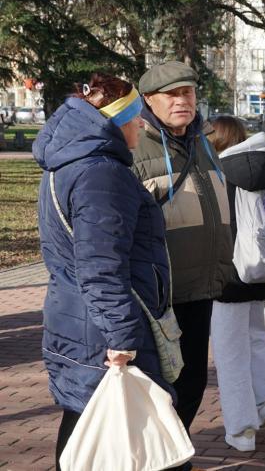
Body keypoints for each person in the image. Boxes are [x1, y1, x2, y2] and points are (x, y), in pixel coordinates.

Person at [33, 74, 174, 469]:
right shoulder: (101, 173)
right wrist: (122, 335)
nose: (142, 124)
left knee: (85, 420)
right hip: (100, 325)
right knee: (98, 428)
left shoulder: (71, 160)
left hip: (75, 315)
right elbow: (101, 266)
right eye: (134, 117)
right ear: (116, 121)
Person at [131, 61, 234, 433]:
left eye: (187, 92)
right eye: (171, 94)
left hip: (200, 287)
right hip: (159, 292)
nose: (182, 101)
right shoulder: (134, 146)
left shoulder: (202, 140)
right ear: (148, 100)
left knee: (192, 383)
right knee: (158, 386)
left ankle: (174, 454)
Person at [208, 116, 265, 452]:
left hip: (229, 275)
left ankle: (241, 429)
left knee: (230, 352)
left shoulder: (216, 176)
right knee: (256, 338)